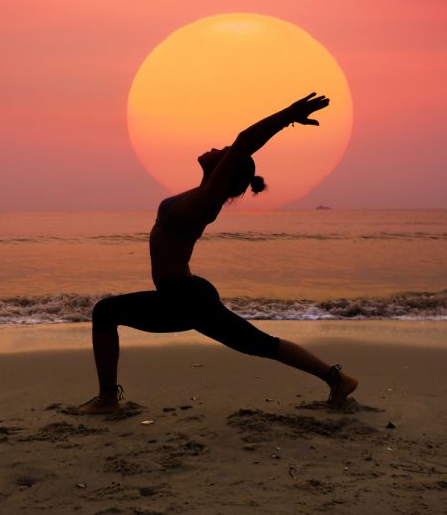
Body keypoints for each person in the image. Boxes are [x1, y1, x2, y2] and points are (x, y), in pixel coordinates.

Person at [79, 93, 358, 413]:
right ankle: (337, 379)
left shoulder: (209, 199)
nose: (218, 149)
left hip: (184, 296)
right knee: (258, 344)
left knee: (106, 312)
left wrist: (289, 115)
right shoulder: (199, 195)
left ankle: (108, 400)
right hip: (186, 293)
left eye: (224, 154)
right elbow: (236, 149)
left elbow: (244, 141)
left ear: (227, 172)